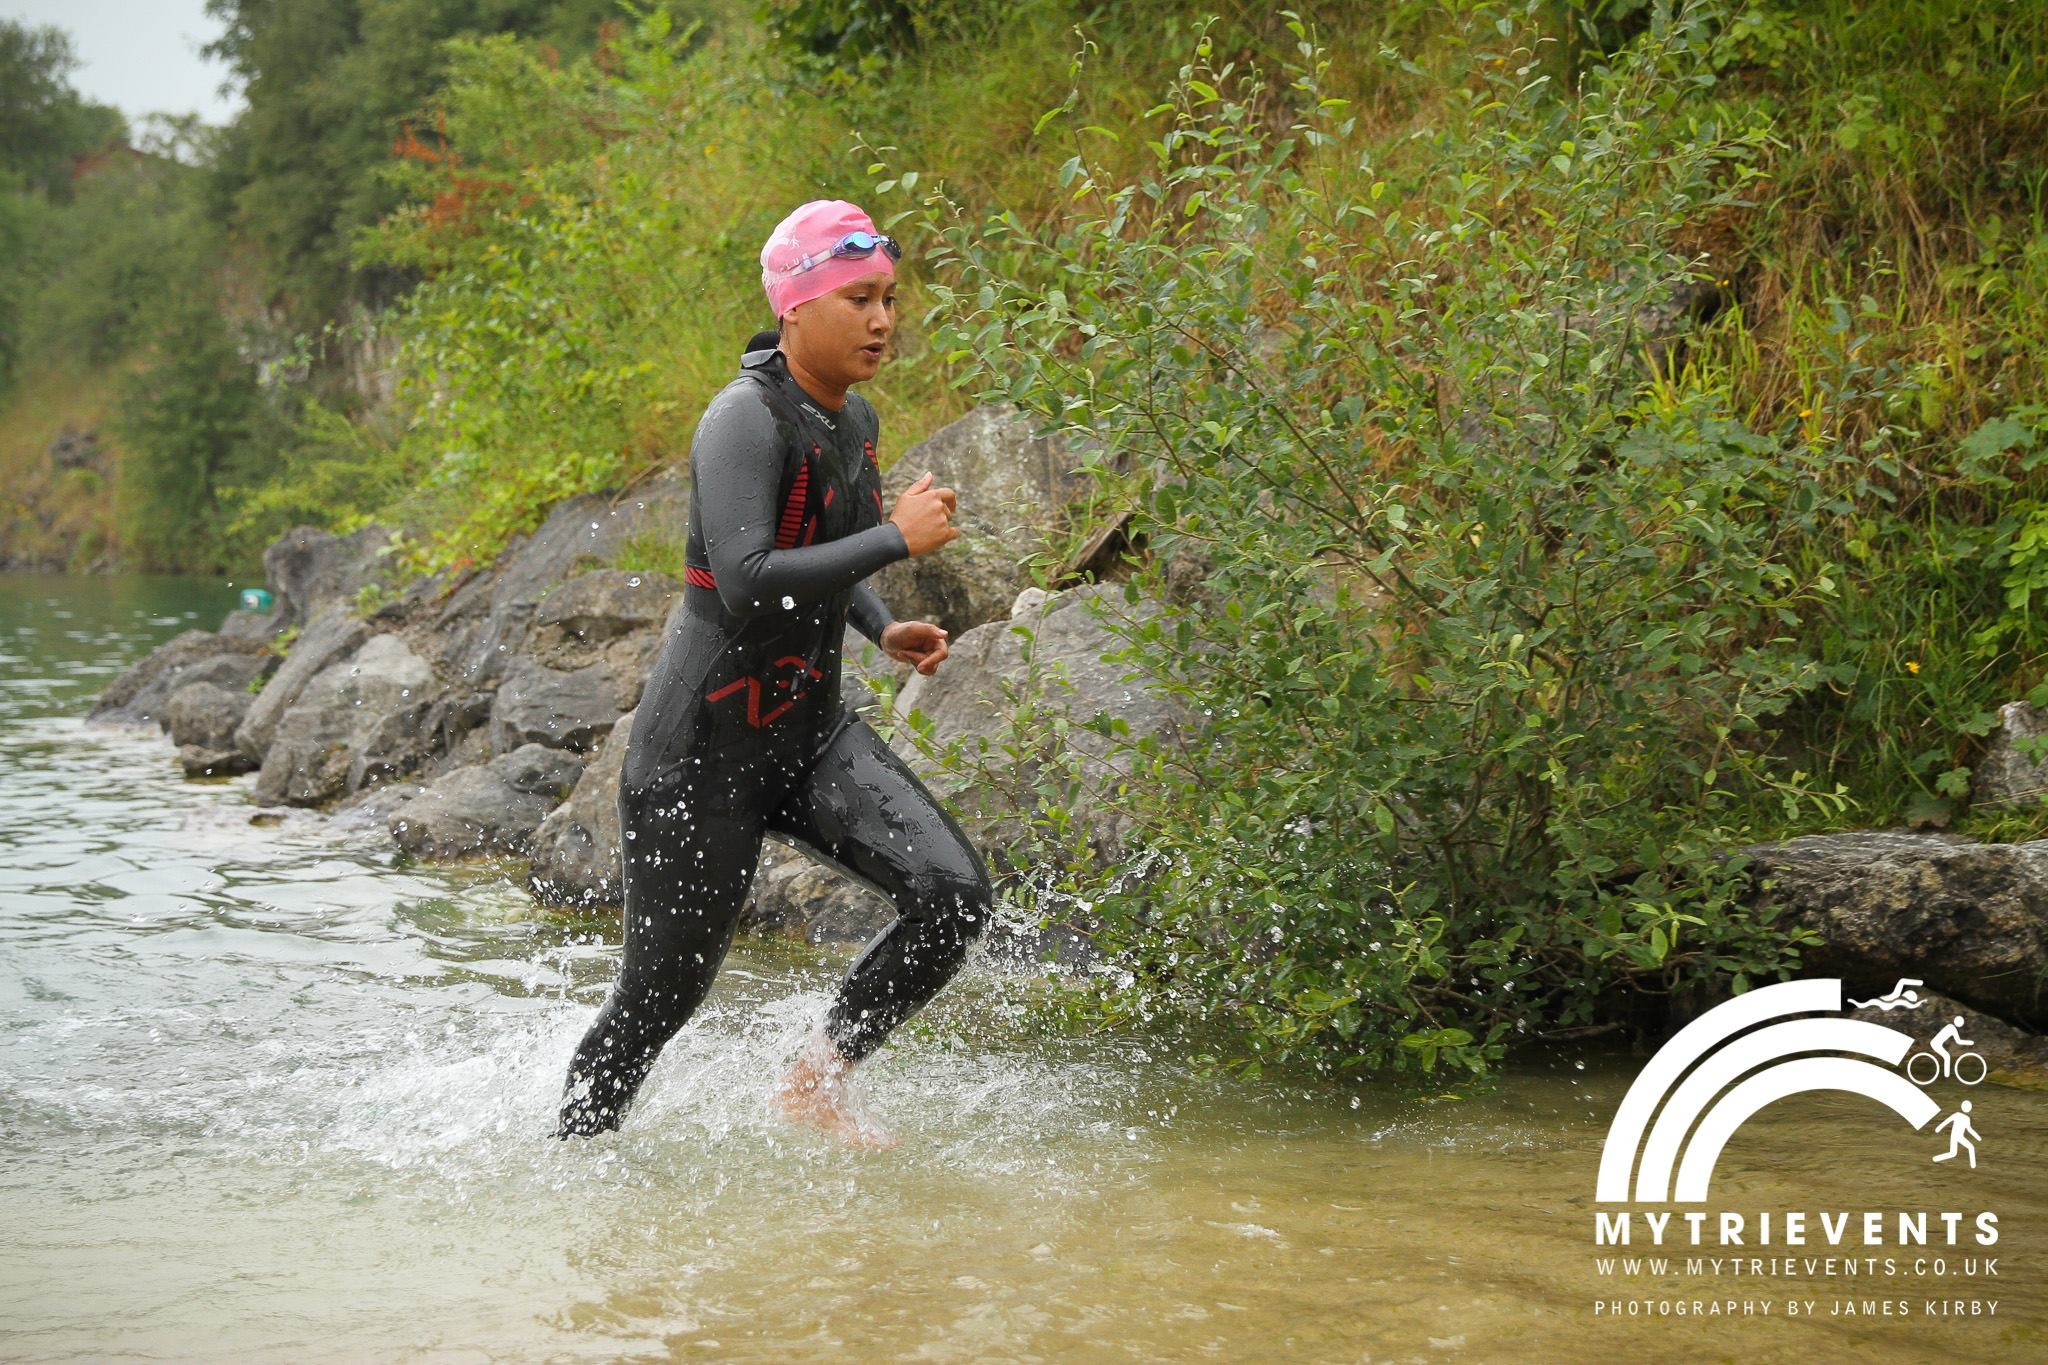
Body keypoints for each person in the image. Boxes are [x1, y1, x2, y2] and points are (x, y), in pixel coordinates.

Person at [555, 199, 991, 1146]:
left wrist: (879, 626)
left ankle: (817, 1078)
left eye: (887, 299)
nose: (881, 320)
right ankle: (572, 1167)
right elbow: (748, 579)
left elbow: (823, 545)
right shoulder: (740, 422)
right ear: (795, 309)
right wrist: (893, 538)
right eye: (857, 299)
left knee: (954, 896)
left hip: (809, 730)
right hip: (699, 756)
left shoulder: (855, 418)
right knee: (656, 1002)